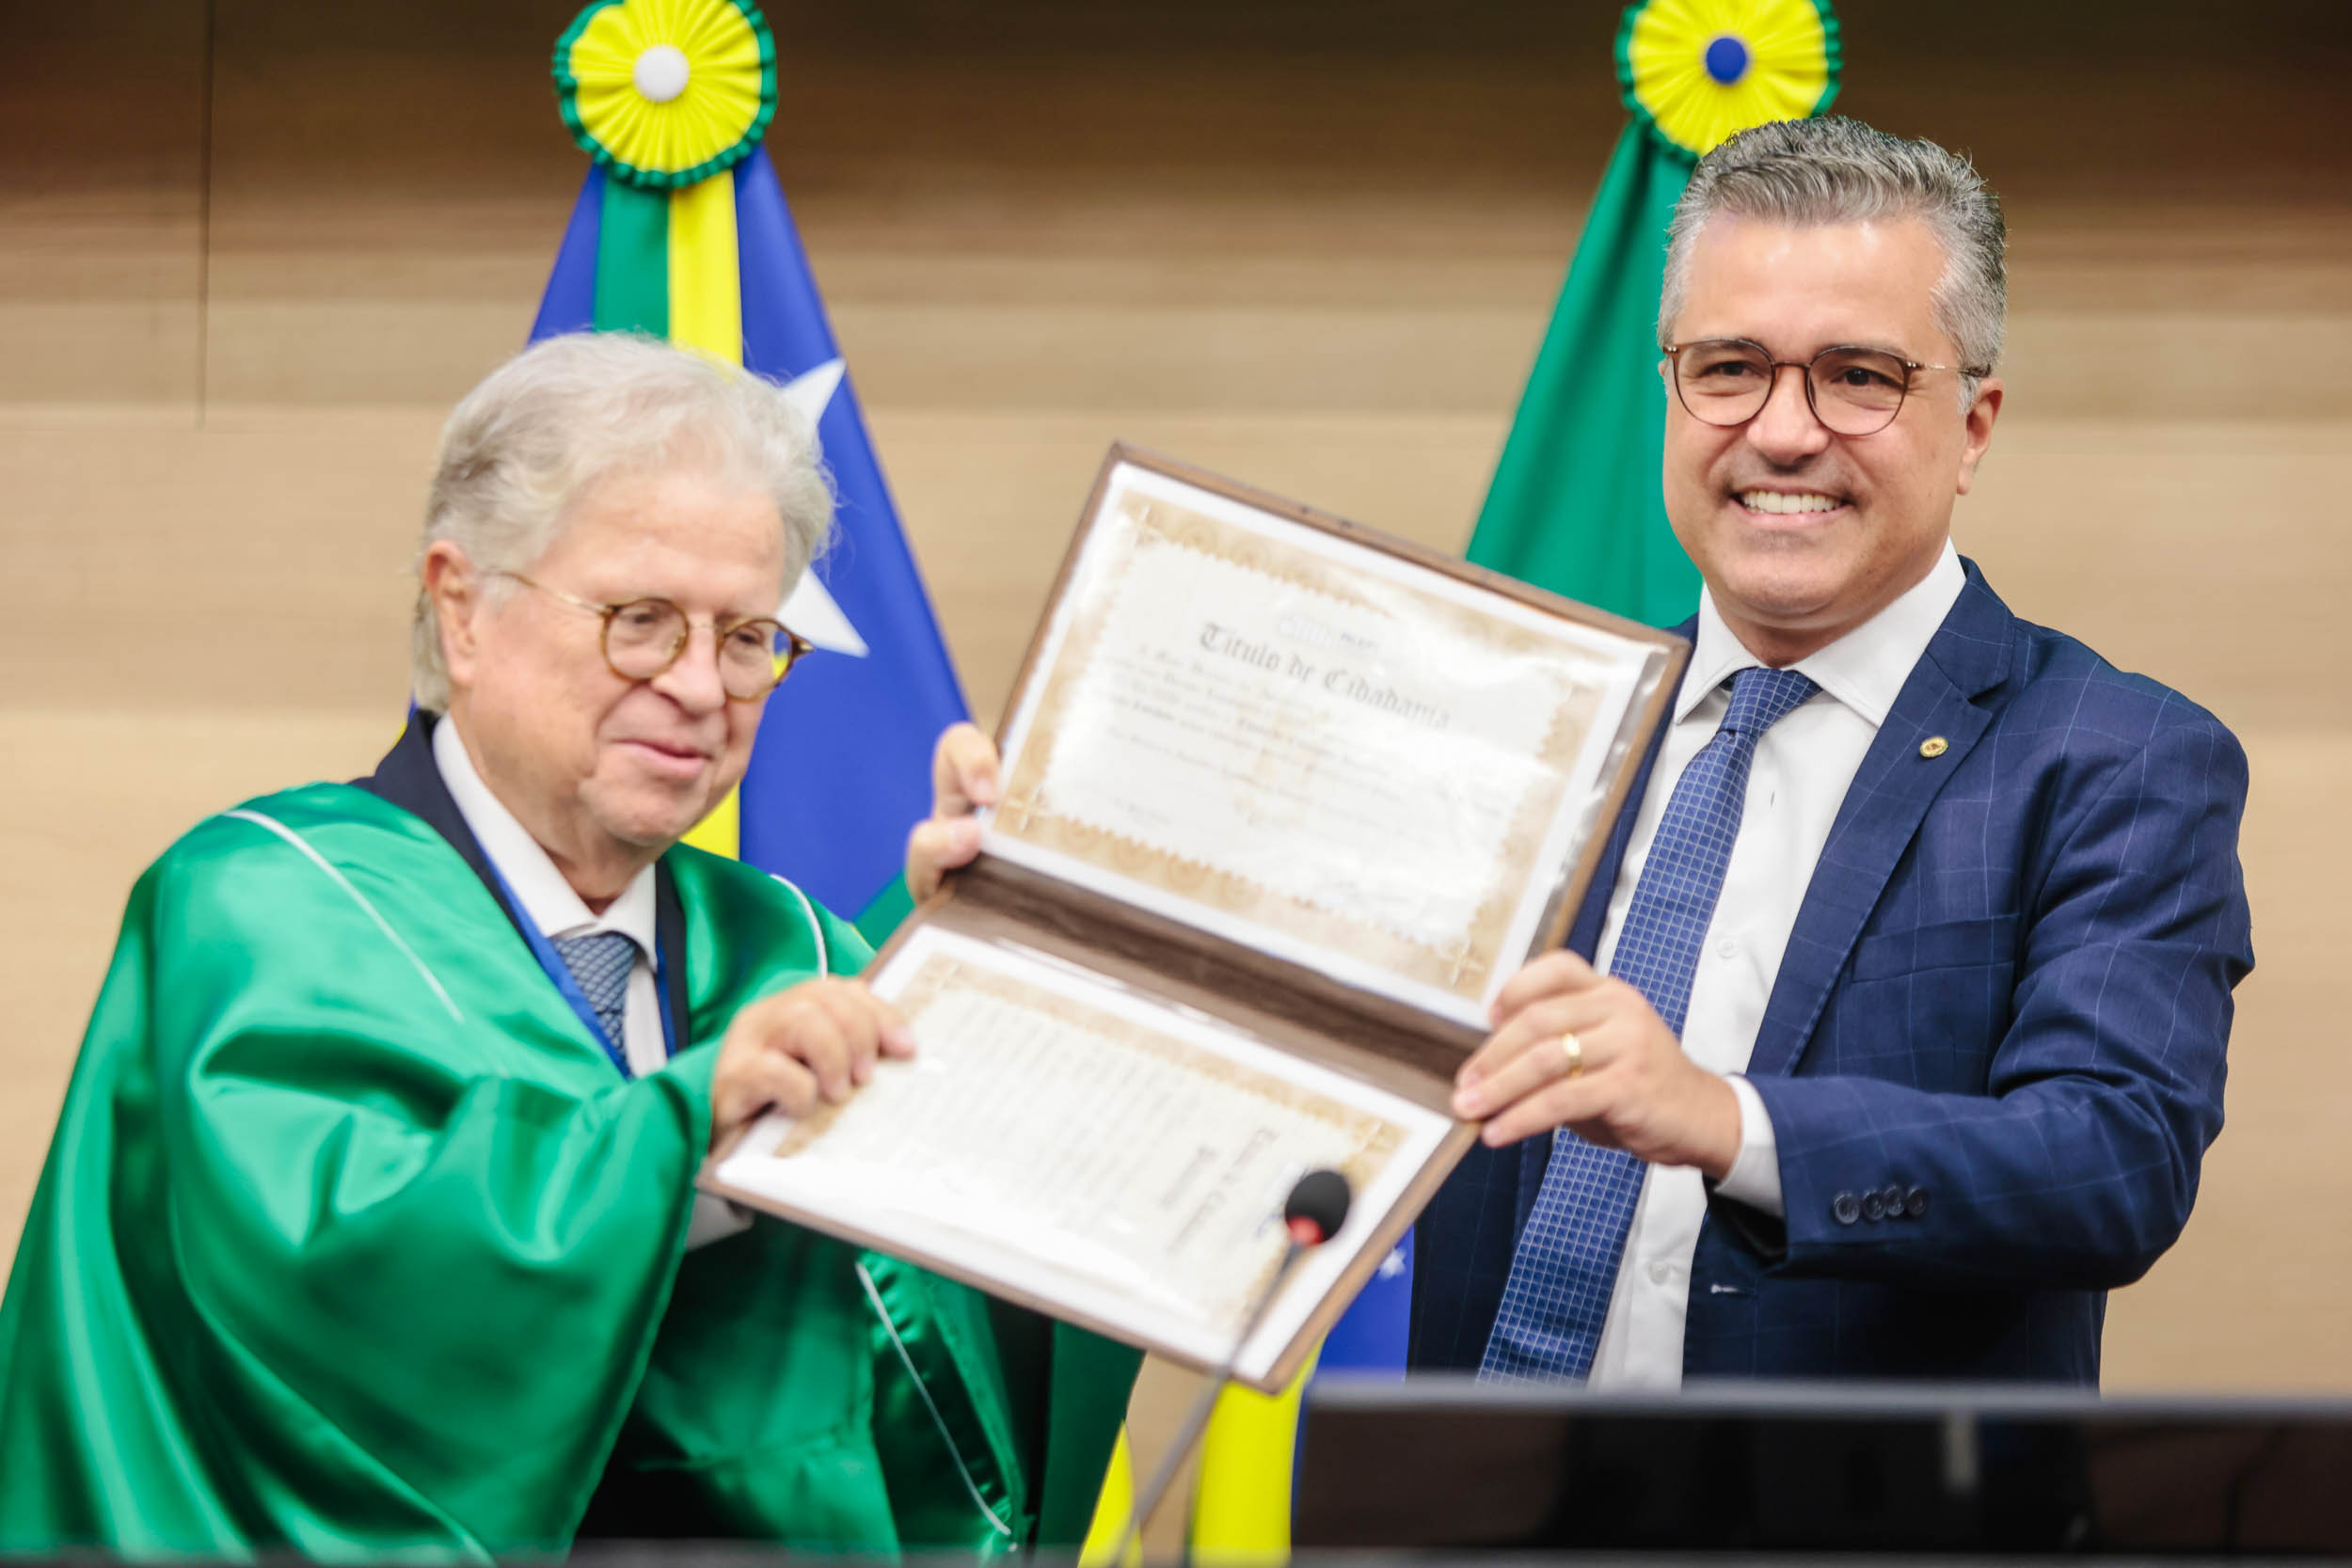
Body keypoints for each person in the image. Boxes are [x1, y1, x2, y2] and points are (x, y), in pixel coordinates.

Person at [0, 332, 1134, 1556]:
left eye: (748, 637)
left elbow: (952, 1336)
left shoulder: (791, 943)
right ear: (463, 606)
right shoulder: (261, 903)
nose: (703, 688)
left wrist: (998, 974)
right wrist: (681, 1131)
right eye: (642, 620)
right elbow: (330, 1288)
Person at [1405, 117, 2251, 1384]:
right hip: (1456, 1505)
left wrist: (1723, 1120)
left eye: (1858, 375)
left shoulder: (2116, 759)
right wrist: (1014, 880)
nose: (1783, 432)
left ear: (1973, 425)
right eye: (1731, 365)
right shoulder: (1529, 712)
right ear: (1671, 391)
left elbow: (2109, 1158)